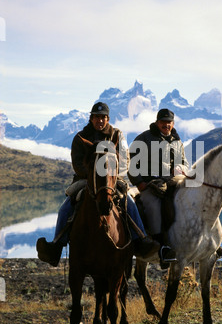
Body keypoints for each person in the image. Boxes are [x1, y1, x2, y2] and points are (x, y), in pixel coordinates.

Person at [36, 102, 160, 267]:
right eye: (96, 117)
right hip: (86, 180)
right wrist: (94, 175)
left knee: (130, 203)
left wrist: (111, 176)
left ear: (108, 119)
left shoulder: (117, 136)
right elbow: (77, 163)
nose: (100, 121)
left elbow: (124, 161)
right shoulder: (81, 137)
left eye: (103, 118)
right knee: (66, 206)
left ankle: (141, 240)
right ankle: (56, 245)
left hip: (112, 180)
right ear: (91, 118)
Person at [128, 108, 222, 261]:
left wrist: (181, 168)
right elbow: (131, 164)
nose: (166, 125)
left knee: (197, 198)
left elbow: (184, 161)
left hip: (173, 180)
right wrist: (141, 183)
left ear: (173, 123)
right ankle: (161, 245)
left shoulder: (176, 140)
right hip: (150, 184)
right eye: (163, 122)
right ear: (157, 122)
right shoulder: (143, 138)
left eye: (169, 122)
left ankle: (213, 242)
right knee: (153, 205)